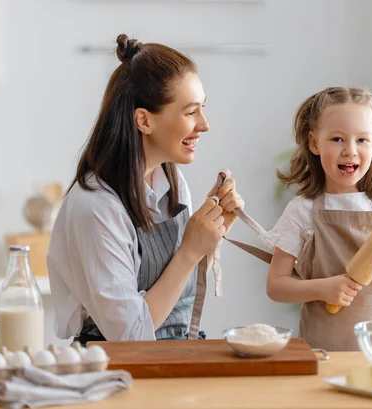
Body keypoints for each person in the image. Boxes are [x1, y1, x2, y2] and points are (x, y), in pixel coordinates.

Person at [47, 34, 244, 345]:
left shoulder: (171, 180)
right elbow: (130, 338)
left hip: (172, 361)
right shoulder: (96, 207)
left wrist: (211, 230)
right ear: (144, 120)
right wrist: (190, 250)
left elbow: (176, 289)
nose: (204, 124)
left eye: (202, 109)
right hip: (115, 371)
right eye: (190, 112)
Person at [264, 87, 372, 351]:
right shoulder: (302, 210)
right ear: (314, 143)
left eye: (362, 140)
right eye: (337, 139)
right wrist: (322, 289)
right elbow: (276, 286)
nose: (350, 151)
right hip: (322, 350)